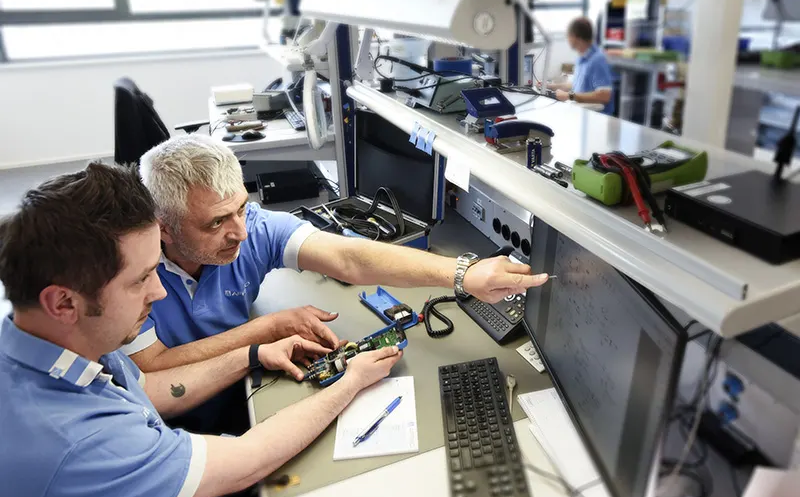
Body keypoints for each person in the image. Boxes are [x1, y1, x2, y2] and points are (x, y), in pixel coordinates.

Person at [0, 163, 402, 497]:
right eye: (140, 279)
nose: (159, 292)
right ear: (63, 302)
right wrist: (350, 381)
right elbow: (248, 461)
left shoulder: (54, 341)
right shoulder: (83, 445)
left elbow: (150, 390)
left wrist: (252, 355)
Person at [124, 134, 550, 381]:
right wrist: (266, 329)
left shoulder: (252, 227)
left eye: (241, 208)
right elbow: (151, 368)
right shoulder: (128, 272)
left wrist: (463, 272)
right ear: (164, 227)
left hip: (238, 380)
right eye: (216, 223)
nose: (241, 232)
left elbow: (349, 258)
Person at [543, 16, 615, 116]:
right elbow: (576, 85)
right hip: (582, 111)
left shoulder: (597, 60)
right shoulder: (582, 58)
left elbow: (604, 96)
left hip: (595, 116)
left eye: (568, 36)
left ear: (575, 37)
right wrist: (550, 86)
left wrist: (569, 96)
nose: (568, 39)